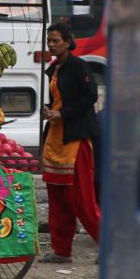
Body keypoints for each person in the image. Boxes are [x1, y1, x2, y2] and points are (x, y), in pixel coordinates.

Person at [40, 22, 101, 263]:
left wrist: (62, 114)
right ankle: (61, 251)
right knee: (57, 200)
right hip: (56, 139)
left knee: (81, 200)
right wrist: (51, 111)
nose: (51, 45)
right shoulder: (54, 68)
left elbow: (90, 96)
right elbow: (57, 100)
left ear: (67, 42)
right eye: (49, 41)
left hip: (75, 140)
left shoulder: (78, 65)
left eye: (55, 40)